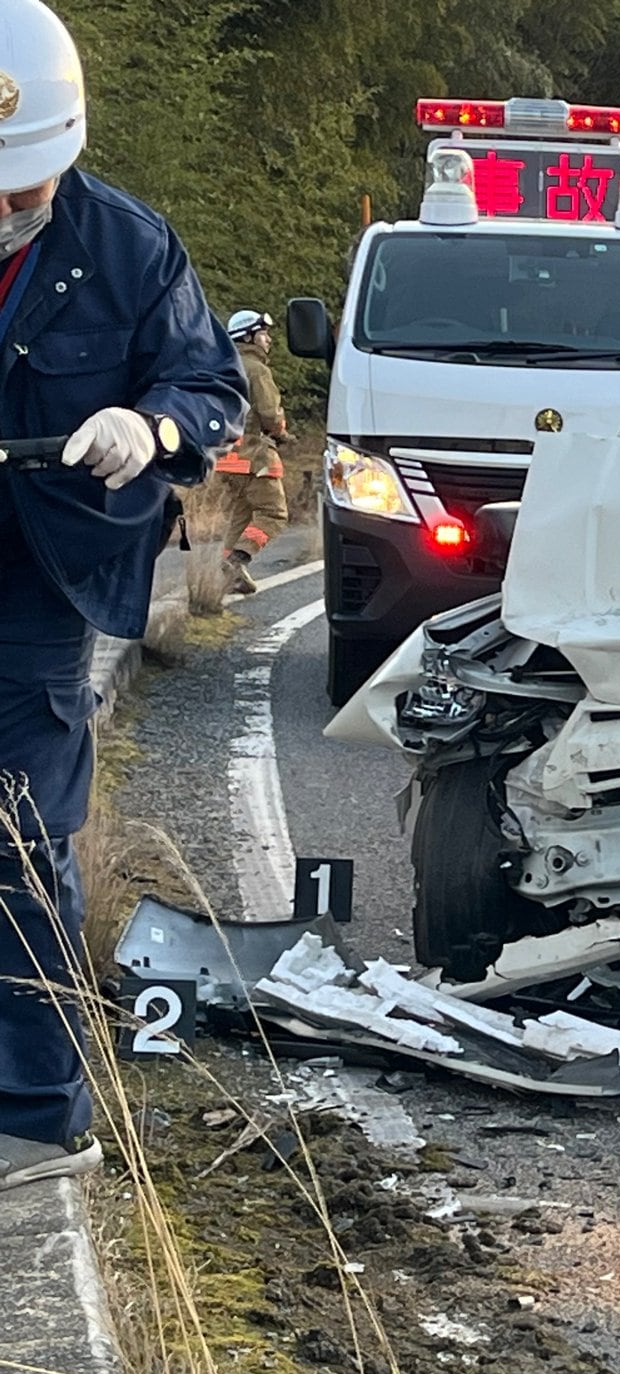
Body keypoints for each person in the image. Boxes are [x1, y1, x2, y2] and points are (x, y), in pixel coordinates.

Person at [0, 0, 246, 1192]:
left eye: (23, 187)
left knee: (20, 835)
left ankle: (37, 1114)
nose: (7, 210)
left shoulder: (128, 248)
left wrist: (148, 427)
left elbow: (207, 383)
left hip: (40, 578)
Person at [214, 309, 291, 595]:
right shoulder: (256, 369)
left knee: (242, 515)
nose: (268, 339)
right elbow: (270, 415)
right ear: (248, 336)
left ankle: (229, 574)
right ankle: (237, 560)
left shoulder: (222, 367)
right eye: (263, 333)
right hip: (254, 456)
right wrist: (282, 433)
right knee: (273, 514)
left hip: (226, 458)